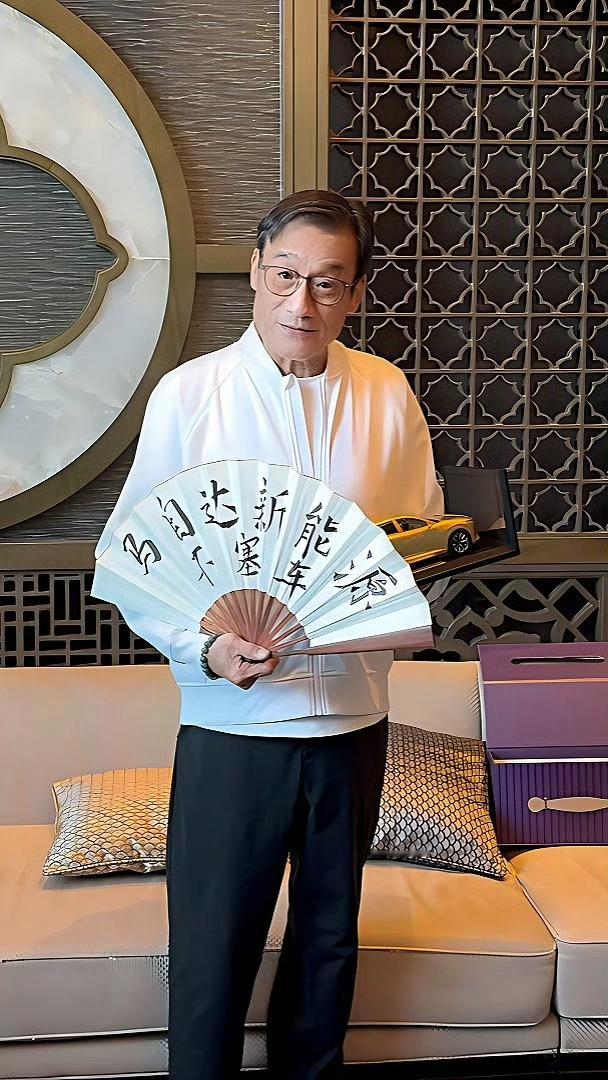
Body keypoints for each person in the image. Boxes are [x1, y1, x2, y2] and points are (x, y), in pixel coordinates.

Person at [92, 189, 443, 1079]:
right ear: (255, 271)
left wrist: (395, 599)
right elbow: (132, 558)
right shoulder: (191, 395)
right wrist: (204, 647)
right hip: (233, 727)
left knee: (327, 951)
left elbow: (415, 538)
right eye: (286, 276)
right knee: (212, 958)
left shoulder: (386, 391)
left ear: (356, 293)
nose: (302, 303)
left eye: (328, 282)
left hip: (354, 724)